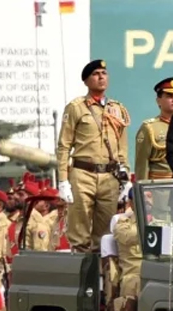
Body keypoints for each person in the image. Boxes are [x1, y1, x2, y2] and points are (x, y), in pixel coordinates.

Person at [56, 59, 129, 253]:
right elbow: (64, 146)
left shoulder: (117, 108)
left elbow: (122, 146)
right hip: (83, 173)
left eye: (104, 73)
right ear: (87, 81)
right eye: (96, 74)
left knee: (106, 236)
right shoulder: (76, 107)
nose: (101, 77)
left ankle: (103, 281)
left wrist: (125, 173)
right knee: (79, 234)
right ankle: (82, 280)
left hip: (109, 176)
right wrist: (63, 180)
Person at [135, 77, 173, 181]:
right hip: (160, 185)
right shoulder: (149, 127)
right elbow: (142, 163)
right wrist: (143, 188)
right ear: (158, 100)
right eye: (169, 96)